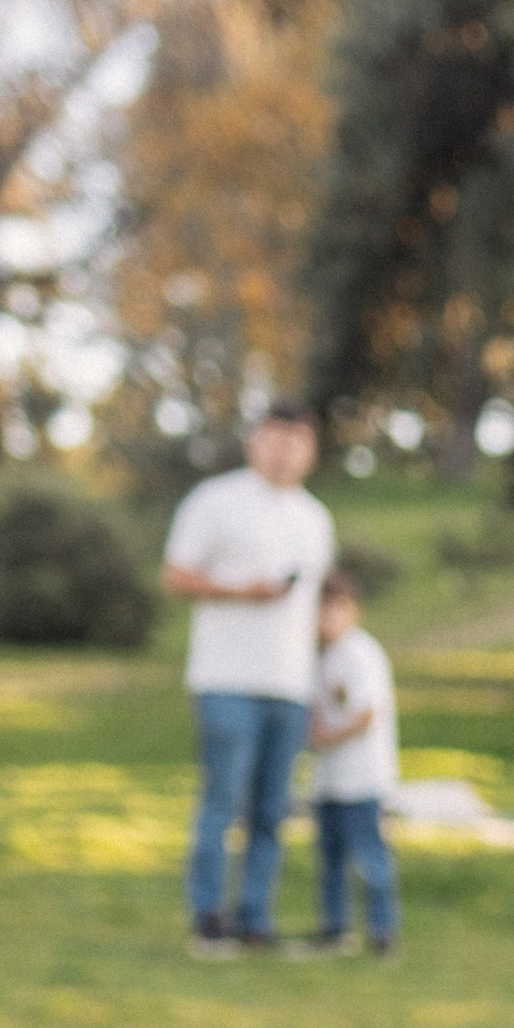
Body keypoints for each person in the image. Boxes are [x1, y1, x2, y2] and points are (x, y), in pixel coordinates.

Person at [162, 403, 337, 956]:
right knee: (222, 799)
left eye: (297, 441)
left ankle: (254, 916)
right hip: (226, 679)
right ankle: (207, 918)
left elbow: (317, 614)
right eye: (276, 439)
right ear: (254, 442)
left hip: (289, 685)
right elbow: (175, 575)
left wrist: (318, 685)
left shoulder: (316, 519)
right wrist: (245, 591)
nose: (285, 451)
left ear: (310, 450)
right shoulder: (215, 501)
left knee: (272, 810)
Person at [306, 571, 400, 955]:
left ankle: (382, 932)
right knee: (329, 856)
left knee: (369, 856)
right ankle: (335, 927)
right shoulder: (318, 656)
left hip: (363, 778)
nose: (327, 618)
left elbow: (364, 714)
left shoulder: (362, 653)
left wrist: (327, 735)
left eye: (335, 610)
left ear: (353, 611)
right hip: (328, 779)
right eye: (321, 610)